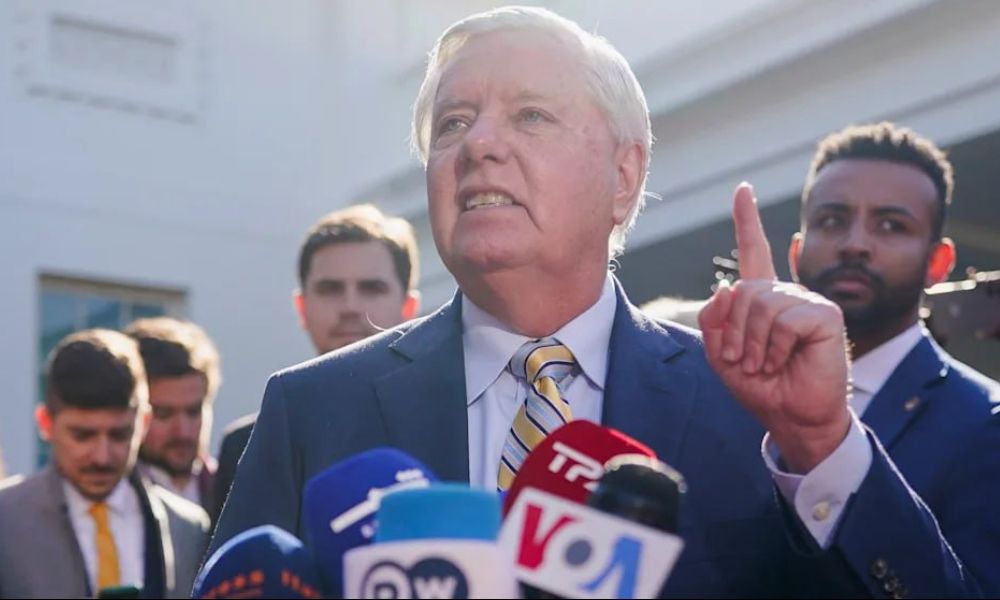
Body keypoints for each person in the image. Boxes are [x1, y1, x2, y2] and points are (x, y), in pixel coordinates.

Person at [211, 7, 997, 597]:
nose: (478, 144)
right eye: (453, 122)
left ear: (624, 177)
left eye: (530, 115)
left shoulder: (751, 407)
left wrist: (823, 443)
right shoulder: (310, 410)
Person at [789, 121, 1000, 587]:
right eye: (832, 220)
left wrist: (833, 447)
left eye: (891, 225)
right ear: (796, 252)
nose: (855, 244)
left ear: (938, 263)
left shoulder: (987, 425)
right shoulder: (722, 393)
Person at [212, 204, 421, 519]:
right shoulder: (245, 445)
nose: (350, 306)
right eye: (330, 289)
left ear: (409, 307)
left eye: (371, 288)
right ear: (301, 307)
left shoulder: (455, 423)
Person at [0, 329, 210, 599]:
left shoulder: (188, 528)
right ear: (46, 423)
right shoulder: (7, 520)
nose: (102, 457)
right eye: (83, 436)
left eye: (119, 435)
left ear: (144, 422)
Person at [126, 317, 222, 523]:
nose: (182, 431)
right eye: (163, 414)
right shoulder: (111, 498)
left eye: (193, 412)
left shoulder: (235, 490)